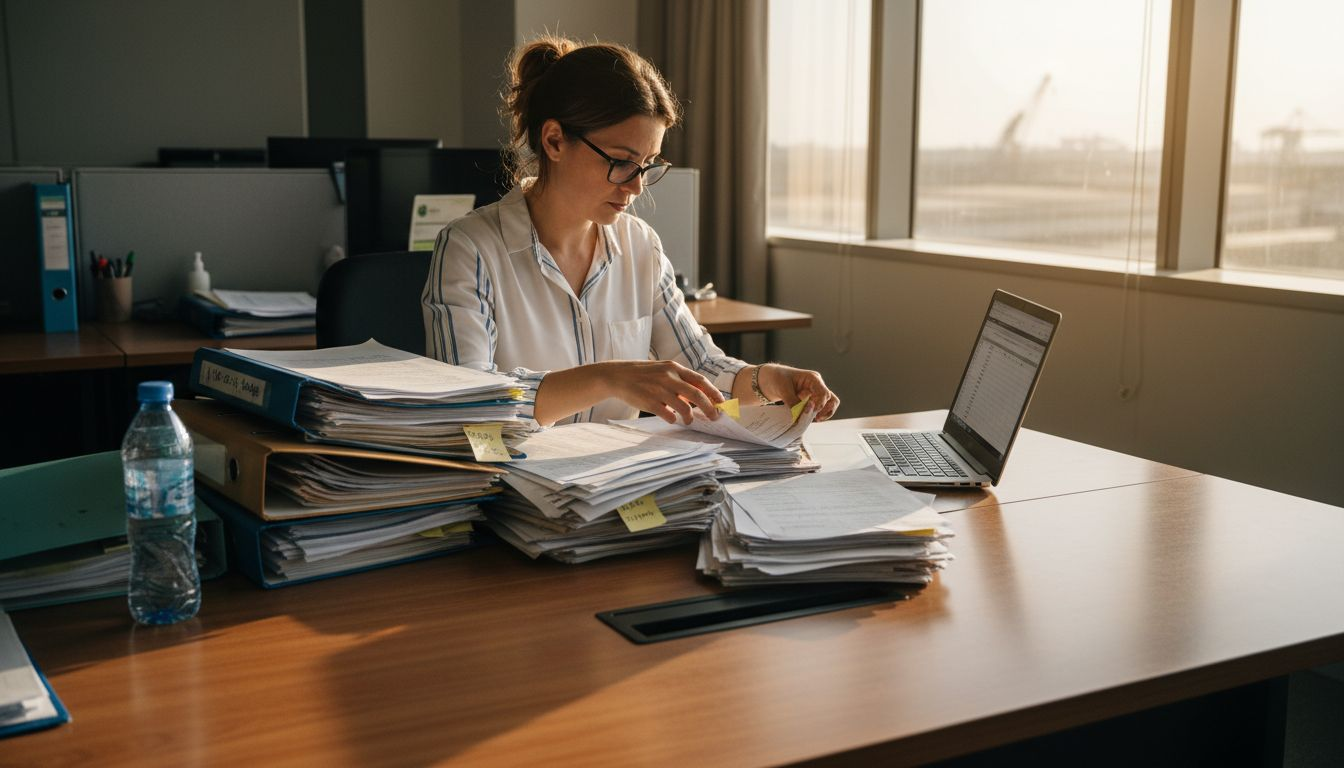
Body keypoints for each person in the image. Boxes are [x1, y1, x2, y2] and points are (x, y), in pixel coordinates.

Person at [422, 35, 839, 427]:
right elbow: (468, 404)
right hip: (515, 489)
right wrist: (608, 379)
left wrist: (771, 380)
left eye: (649, 164)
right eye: (622, 161)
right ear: (553, 141)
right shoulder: (470, 248)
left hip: (619, 488)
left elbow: (701, 368)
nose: (637, 185)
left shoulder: (641, 245)